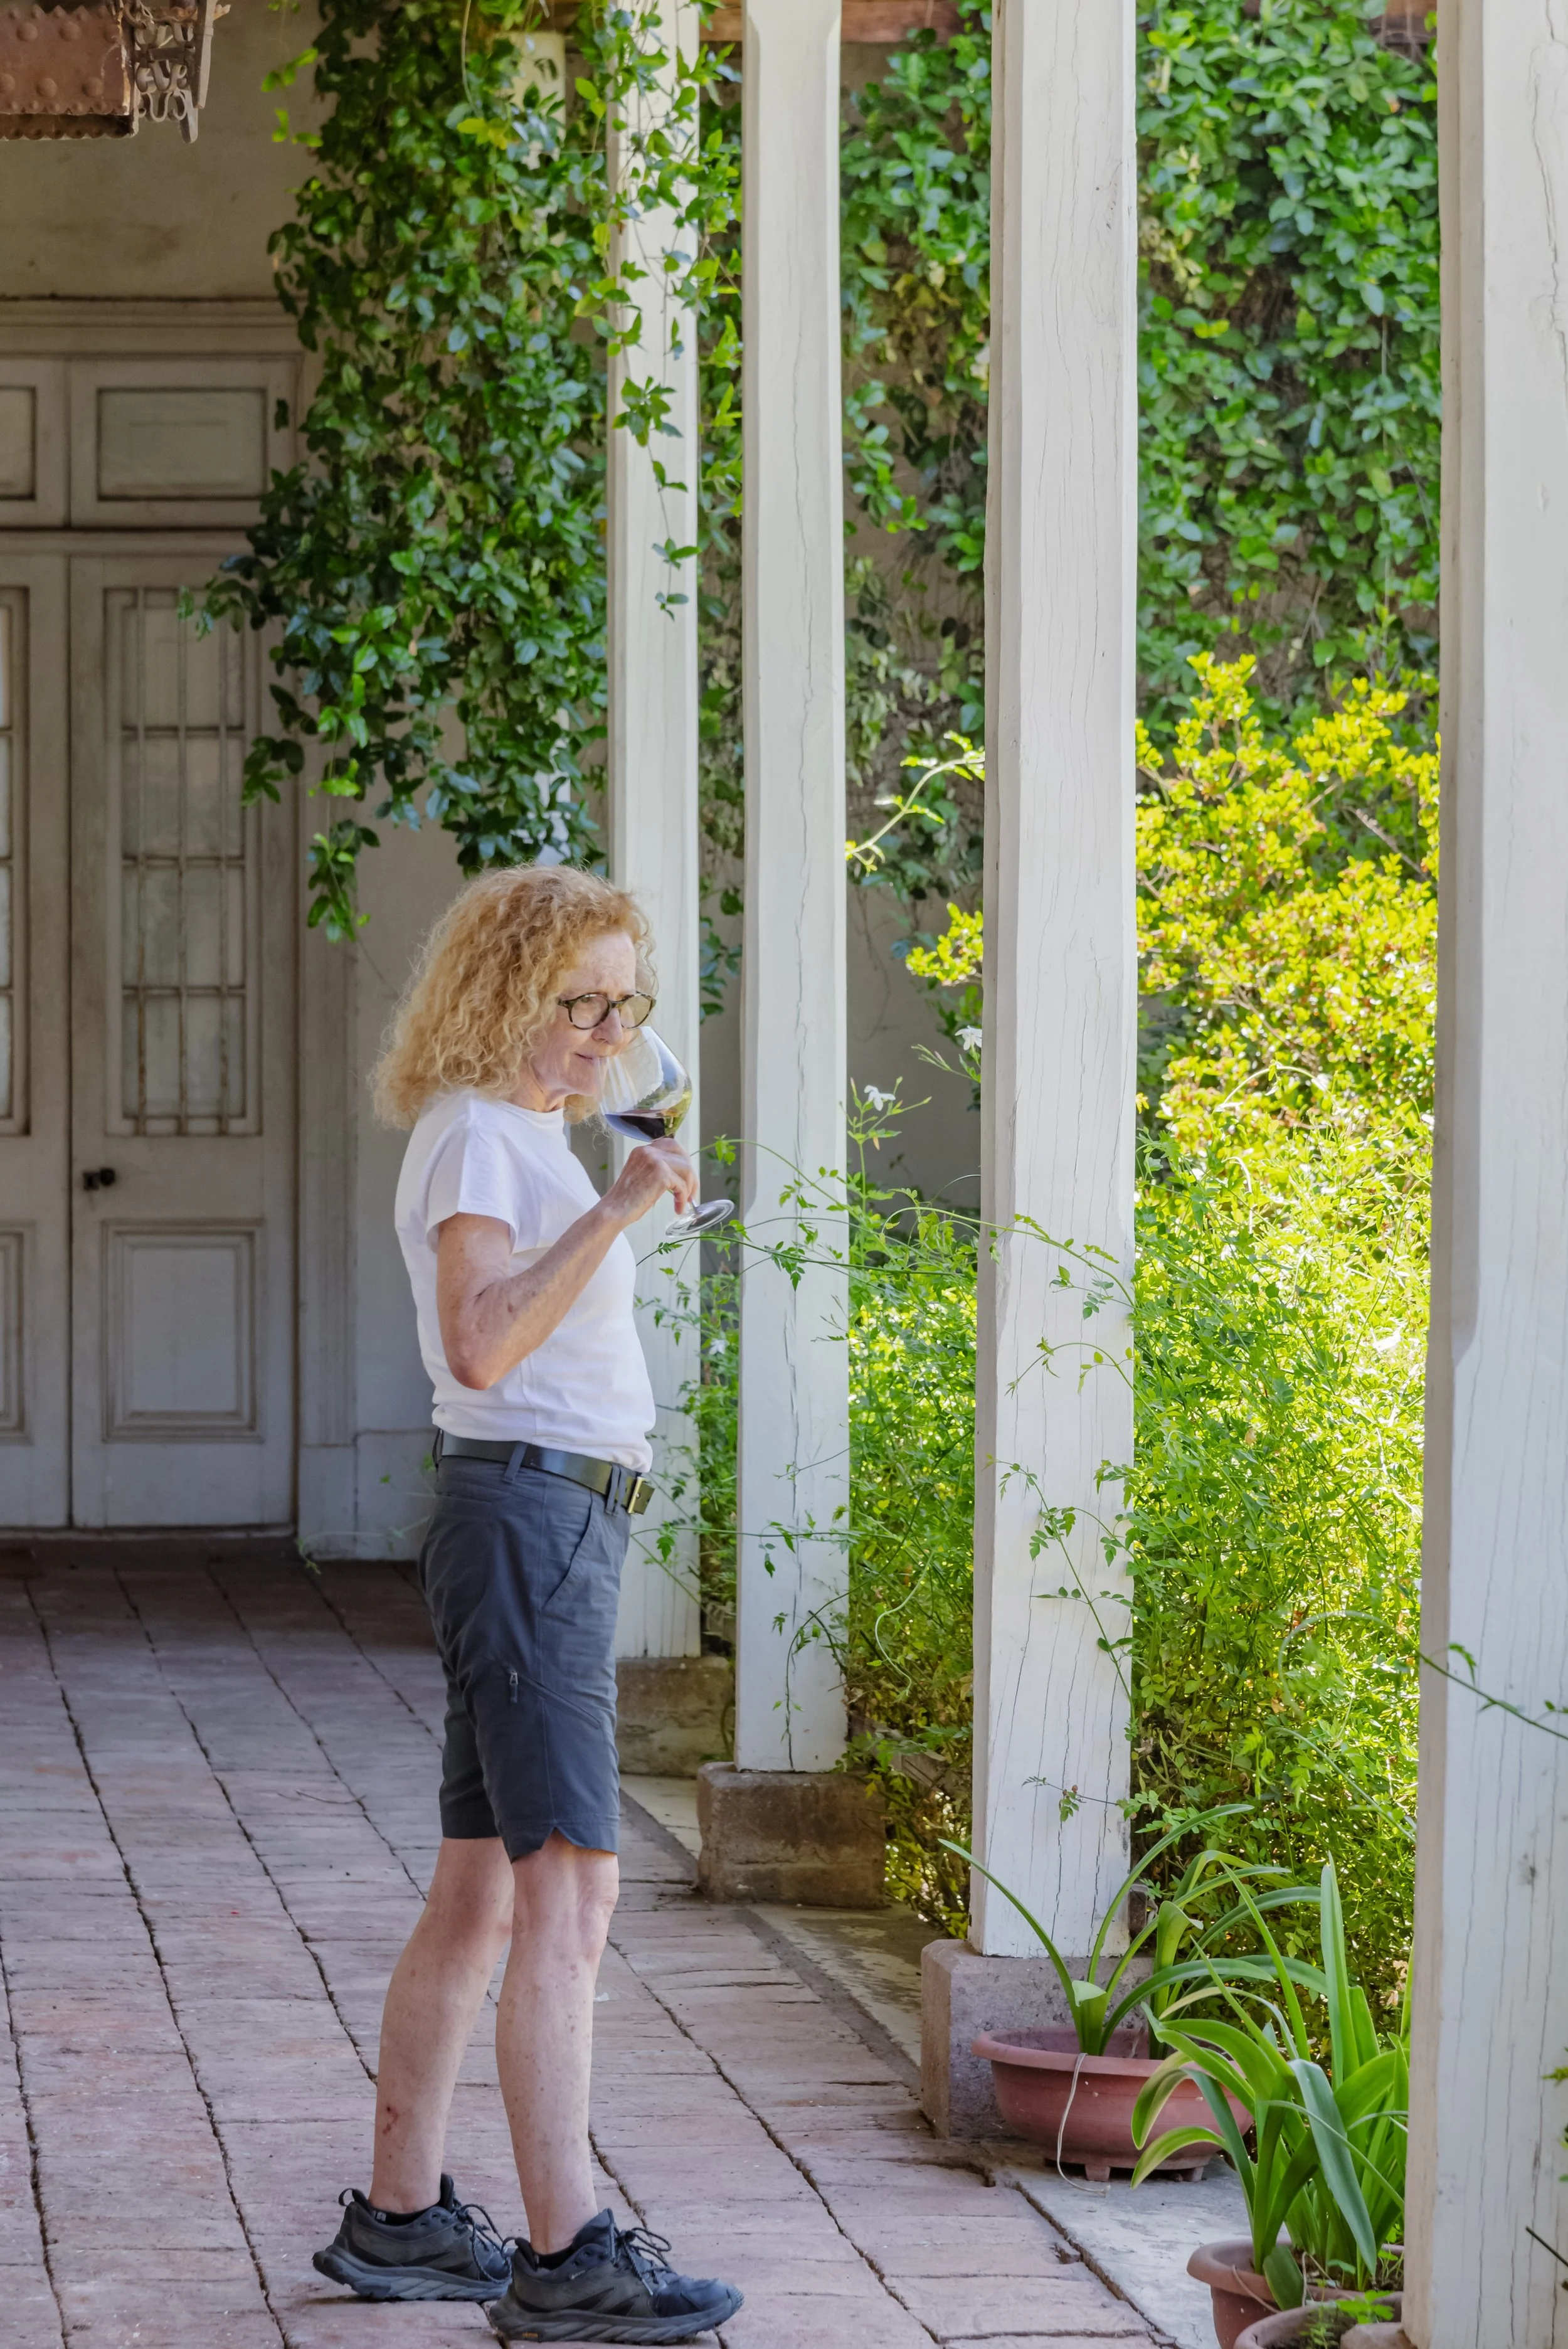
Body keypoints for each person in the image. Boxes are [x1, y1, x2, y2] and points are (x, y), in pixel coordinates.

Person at [313, 866, 743, 2344]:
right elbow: (483, 1345)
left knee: (484, 1886)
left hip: (537, 1519)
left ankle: (403, 2217)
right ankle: (567, 2260)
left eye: (623, 1008)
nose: (604, 1034)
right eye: (578, 1003)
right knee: (574, 1887)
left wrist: (611, 1192)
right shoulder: (482, 1141)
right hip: (529, 1517)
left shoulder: (522, 1139)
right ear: (503, 995)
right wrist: (618, 1210)